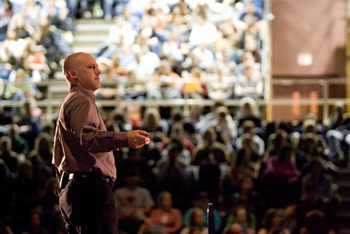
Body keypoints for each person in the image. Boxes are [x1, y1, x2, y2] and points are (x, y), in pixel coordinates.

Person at [52, 52, 151, 234]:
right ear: (74, 74)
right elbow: (88, 139)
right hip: (88, 189)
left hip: (79, 189)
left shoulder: (74, 101)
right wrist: (126, 138)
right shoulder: (81, 101)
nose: (98, 71)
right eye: (91, 67)